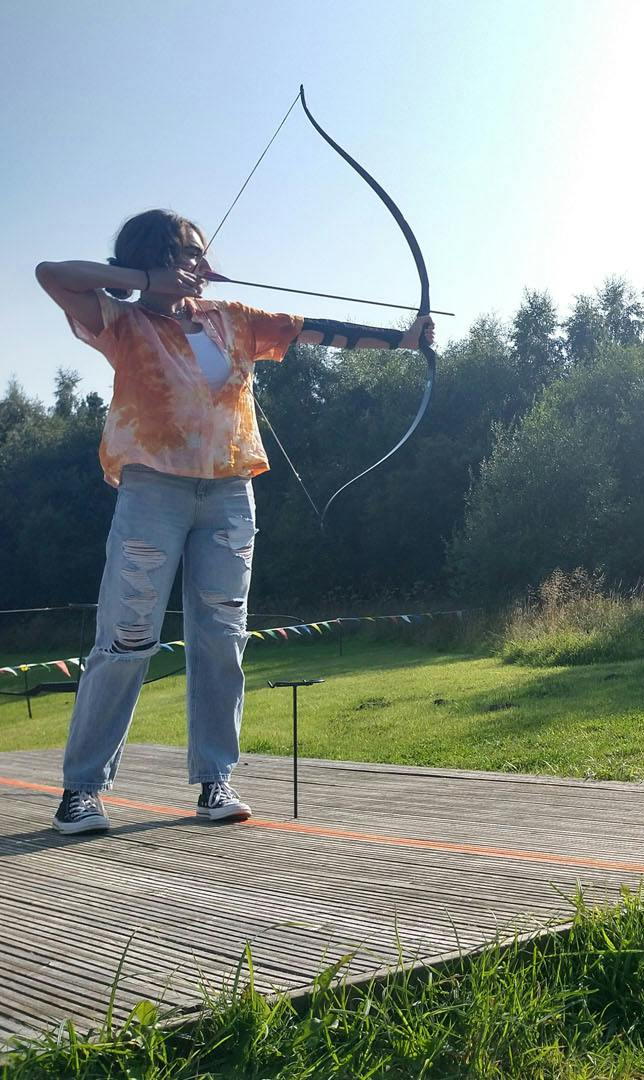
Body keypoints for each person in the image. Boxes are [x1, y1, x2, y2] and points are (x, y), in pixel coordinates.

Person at [34, 208, 433, 834]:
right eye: (186, 254)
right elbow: (51, 273)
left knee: (222, 637)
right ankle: (82, 790)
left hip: (228, 493)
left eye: (200, 252)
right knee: (126, 636)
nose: (202, 264)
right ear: (154, 259)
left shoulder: (234, 321)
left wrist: (406, 340)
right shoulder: (122, 319)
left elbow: (318, 331)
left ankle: (216, 779)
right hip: (152, 490)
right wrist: (146, 281)